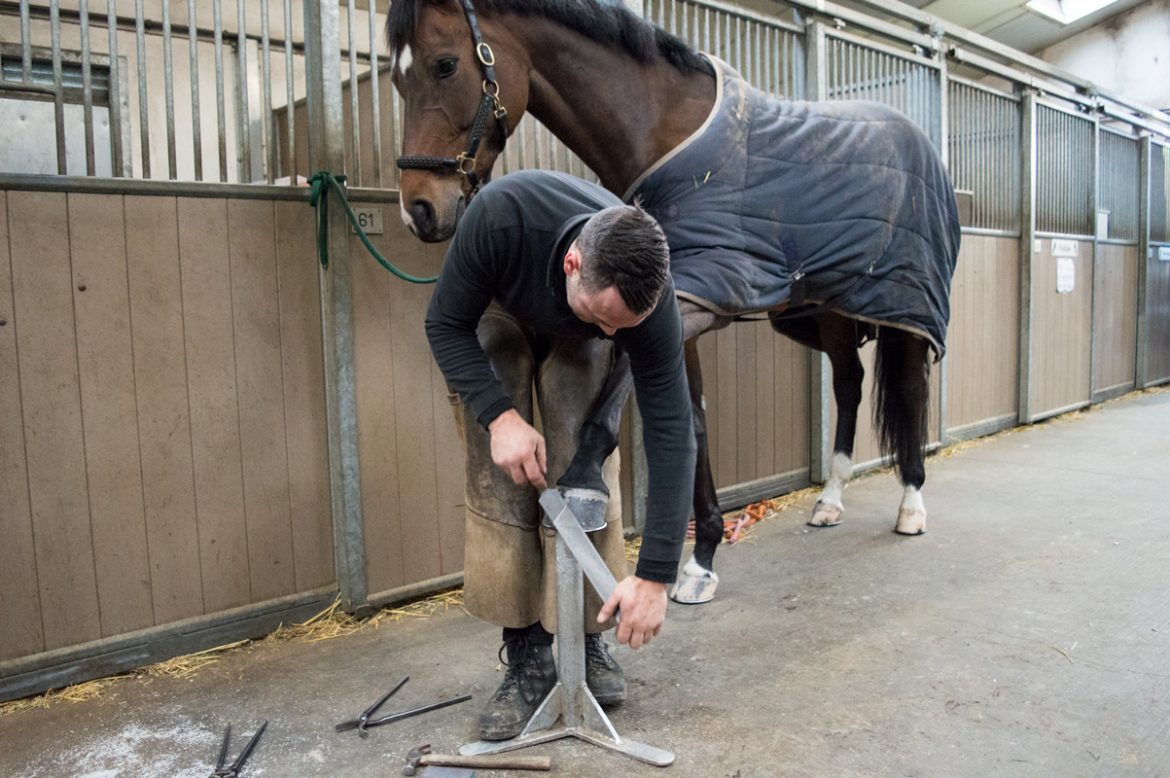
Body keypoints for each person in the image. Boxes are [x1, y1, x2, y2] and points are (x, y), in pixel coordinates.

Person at [424, 169, 696, 741]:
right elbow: (445, 324)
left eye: (618, 324)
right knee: (504, 443)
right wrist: (500, 418)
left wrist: (656, 575)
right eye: (603, 317)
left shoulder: (642, 297)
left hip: (579, 316)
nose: (608, 327)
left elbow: (672, 426)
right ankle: (525, 651)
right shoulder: (501, 217)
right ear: (573, 262)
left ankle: (585, 638)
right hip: (503, 302)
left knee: (579, 426)